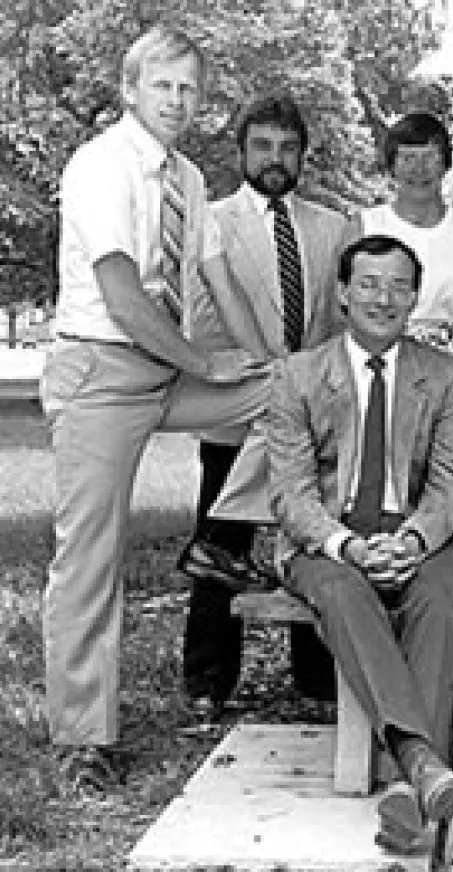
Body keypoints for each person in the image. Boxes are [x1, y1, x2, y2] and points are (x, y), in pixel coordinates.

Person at [40, 25, 270, 793]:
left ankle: (220, 538)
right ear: (131, 89)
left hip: (164, 368)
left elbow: (217, 277)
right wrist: (204, 361)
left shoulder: (187, 179)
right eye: (163, 85)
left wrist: (266, 361)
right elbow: (122, 297)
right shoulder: (99, 168)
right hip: (103, 371)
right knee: (89, 562)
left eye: (190, 88)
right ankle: (83, 738)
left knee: (288, 395)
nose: (177, 99)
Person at [266, 233, 453, 854]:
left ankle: (413, 792)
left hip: (416, 537)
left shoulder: (443, 375)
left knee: (439, 592)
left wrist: (413, 538)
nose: (384, 298)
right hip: (327, 545)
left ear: (415, 298)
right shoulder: (299, 376)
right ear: (344, 292)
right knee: (342, 589)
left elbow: (448, 483)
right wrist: (348, 545)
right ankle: (418, 757)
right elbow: (291, 496)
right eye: (370, 284)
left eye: (399, 286)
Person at [177, 94, 344, 715]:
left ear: (302, 154)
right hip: (236, 418)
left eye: (287, 148)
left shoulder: (334, 228)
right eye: (263, 146)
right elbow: (202, 317)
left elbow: (334, 326)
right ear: (242, 151)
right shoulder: (209, 223)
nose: (276, 159)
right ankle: (208, 684)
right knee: (218, 548)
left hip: (309, 424)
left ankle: (316, 683)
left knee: (310, 542)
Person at [352, 111, 453, 372]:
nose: (419, 169)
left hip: (447, 367)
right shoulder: (364, 227)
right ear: (392, 166)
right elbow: (343, 315)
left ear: (445, 164)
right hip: (377, 365)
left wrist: (450, 386)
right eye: (408, 158)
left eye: (429, 157)